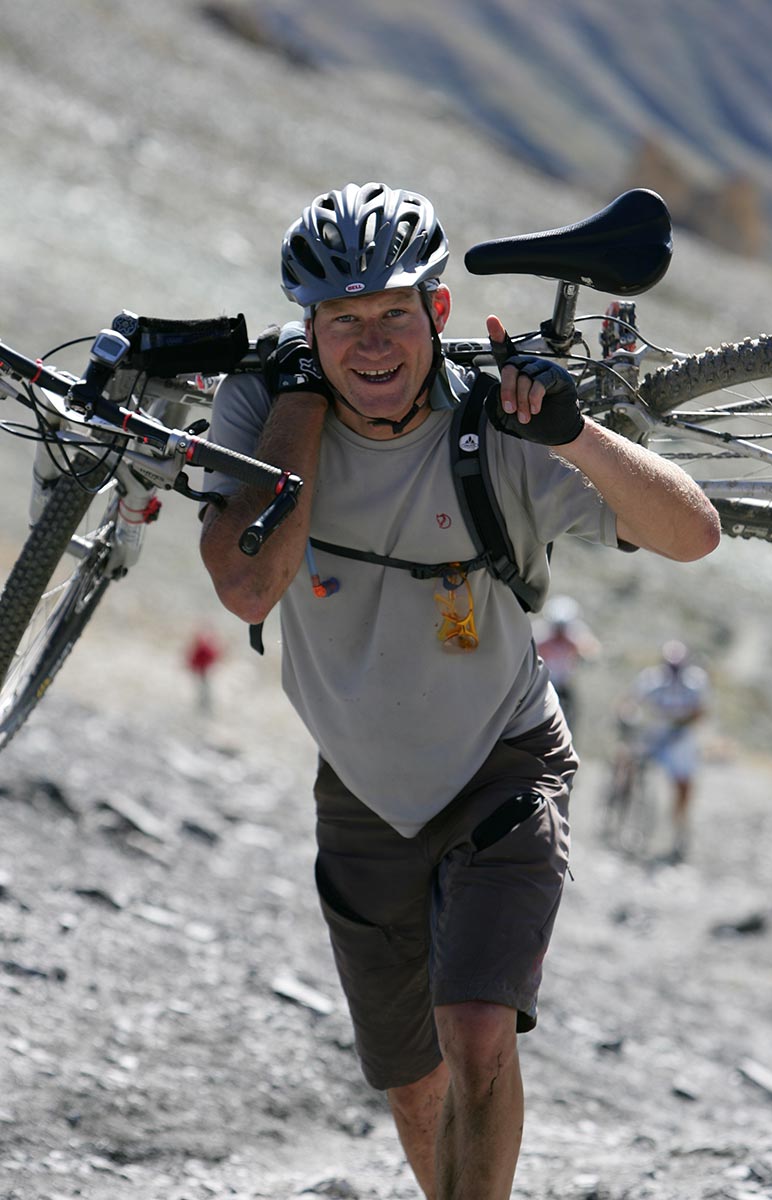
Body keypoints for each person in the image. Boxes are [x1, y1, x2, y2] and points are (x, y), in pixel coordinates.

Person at [199, 182, 720, 1200]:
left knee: (476, 1031)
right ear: (306, 331)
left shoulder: (498, 423)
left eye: (394, 312)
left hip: (503, 760)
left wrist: (571, 433)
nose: (372, 343)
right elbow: (248, 583)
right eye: (341, 322)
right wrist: (302, 400)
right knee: (412, 1089)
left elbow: (692, 534)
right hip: (360, 791)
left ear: (438, 313)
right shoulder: (261, 408)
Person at [627, 639, 710, 860]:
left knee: (684, 786)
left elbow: (701, 711)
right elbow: (631, 701)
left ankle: (679, 829)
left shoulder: (695, 682)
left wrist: (681, 724)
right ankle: (627, 805)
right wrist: (628, 716)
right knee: (629, 758)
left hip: (680, 740)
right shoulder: (651, 679)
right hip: (655, 734)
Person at [534, 595, 601, 735]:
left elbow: (592, 649)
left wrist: (584, 656)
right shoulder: (541, 634)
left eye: (562, 627)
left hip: (564, 683)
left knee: (572, 712)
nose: (559, 631)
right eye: (557, 626)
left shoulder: (575, 634)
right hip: (544, 682)